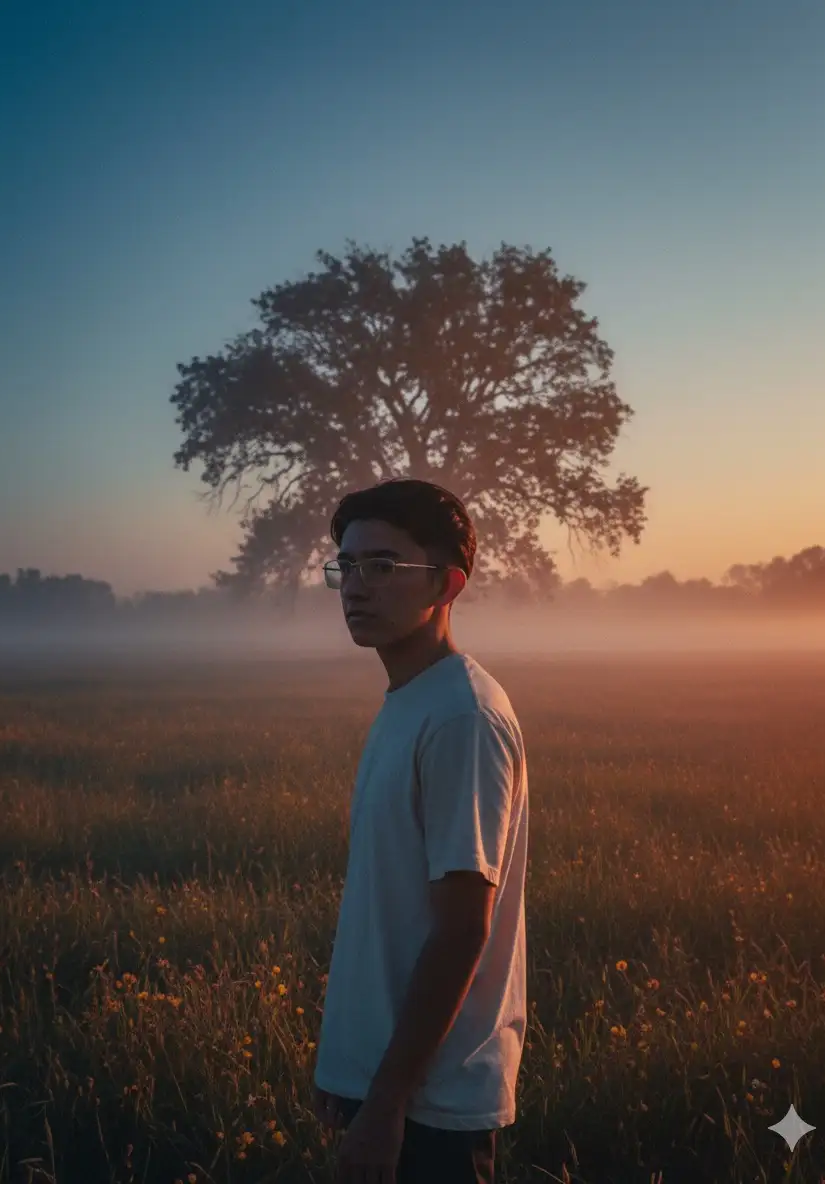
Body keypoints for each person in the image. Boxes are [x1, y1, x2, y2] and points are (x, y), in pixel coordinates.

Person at [312, 478, 529, 1184]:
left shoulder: (462, 716)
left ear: (447, 583)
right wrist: (348, 1064)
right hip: (385, 1082)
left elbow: (463, 928)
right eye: (347, 566)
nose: (356, 586)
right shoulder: (411, 700)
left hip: (428, 1106)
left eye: (383, 565)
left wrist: (385, 1102)